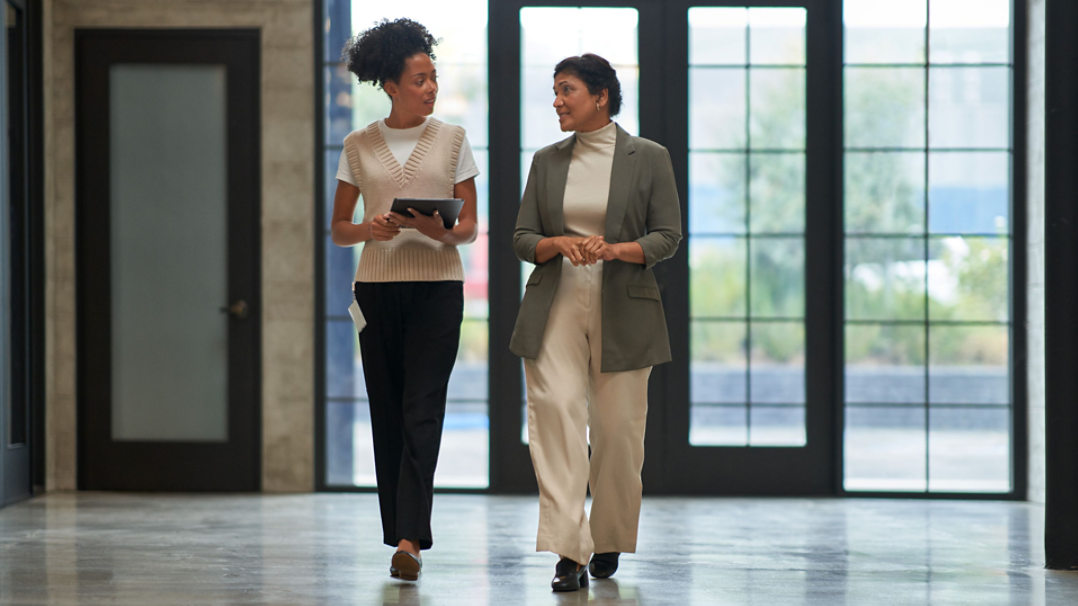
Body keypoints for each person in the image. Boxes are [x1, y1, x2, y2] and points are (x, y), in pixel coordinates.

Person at [511, 53, 682, 592]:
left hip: (625, 304)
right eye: (555, 91)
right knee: (556, 414)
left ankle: (607, 536)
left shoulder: (649, 156)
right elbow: (521, 238)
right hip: (554, 302)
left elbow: (667, 235)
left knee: (618, 434)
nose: (557, 101)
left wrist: (615, 250)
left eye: (567, 90)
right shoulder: (546, 160)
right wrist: (557, 243)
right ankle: (568, 549)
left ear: (601, 96)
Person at [330, 17, 479, 582]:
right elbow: (339, 228)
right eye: (420, 79)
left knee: (423, 409)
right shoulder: (357, 144)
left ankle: (411, 541)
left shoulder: (454, 140)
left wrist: (441, 232)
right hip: (376, 290)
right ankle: (400, 530)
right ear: (390, 85)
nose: (431, 88)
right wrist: (369, 229)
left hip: (439, 289)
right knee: (387, 411)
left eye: (434, 77)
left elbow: (468, 226)